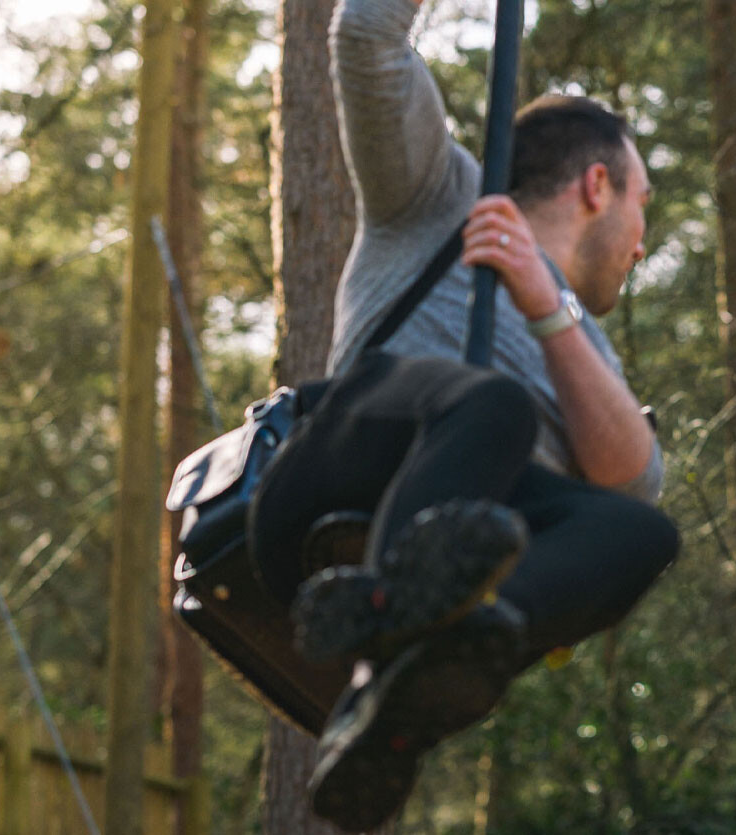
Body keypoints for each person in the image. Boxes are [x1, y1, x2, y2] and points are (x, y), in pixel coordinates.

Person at [244, 0, 679, 827]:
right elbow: (365, 33)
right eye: (643, 204)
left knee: (647, 536)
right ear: (598, 185)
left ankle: (407, 673)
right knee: (494, 407)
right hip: (332, 490)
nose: (643, 241)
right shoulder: (436, 195)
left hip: (409, 586)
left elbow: (635, 483)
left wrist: (545, 308)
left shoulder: (586, 351)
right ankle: (397, 610)